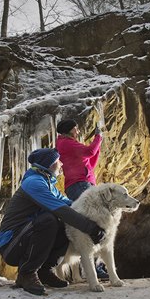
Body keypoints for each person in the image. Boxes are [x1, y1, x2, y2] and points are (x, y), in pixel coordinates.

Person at [0, 148, 106, 295]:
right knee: (50, 219)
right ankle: (27, 273)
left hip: (24, 238)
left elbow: (71, 205)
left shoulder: (48, 185)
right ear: (49, 164)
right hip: (11, 244)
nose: (61, 164)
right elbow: (61, 210)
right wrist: (90, 228)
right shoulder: (34, 183)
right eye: (58, 161)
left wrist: (94, 214)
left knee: (62, 223)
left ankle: (45, 271)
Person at [55, 119, 109, 279]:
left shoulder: (69, 144)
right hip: (80, 185)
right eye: (76, 128)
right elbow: (90, 152)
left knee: (92, 225)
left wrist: (98, 144)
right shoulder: (65, 143)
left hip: (83, 184)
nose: (78, 132)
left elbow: (90, 162)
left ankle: (93, 267)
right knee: (95, 224)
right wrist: (98, 137)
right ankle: (93, 268)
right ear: (70, 130)